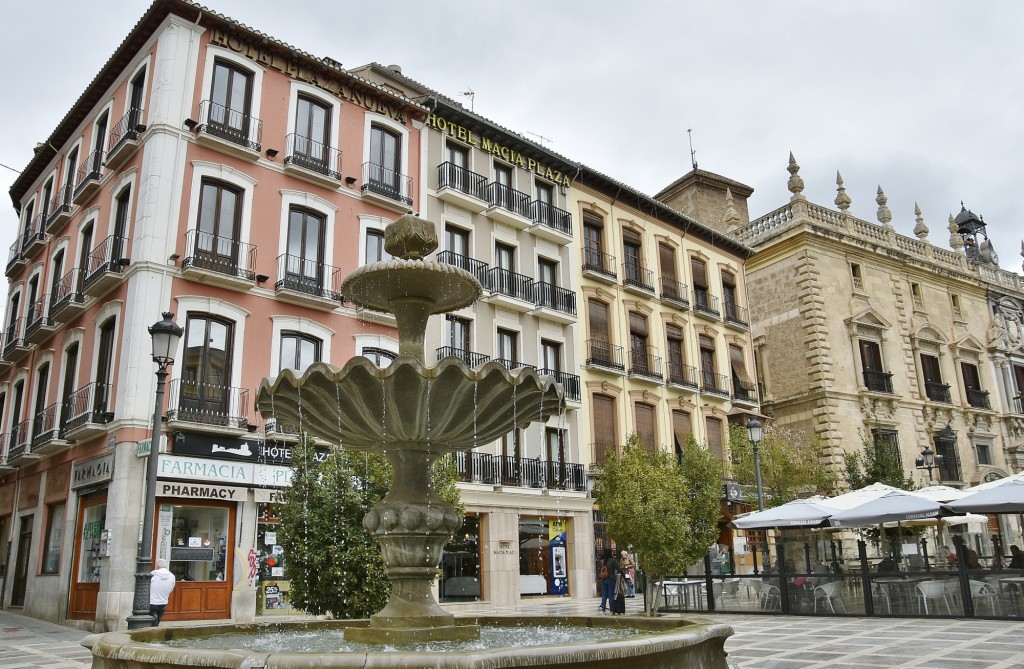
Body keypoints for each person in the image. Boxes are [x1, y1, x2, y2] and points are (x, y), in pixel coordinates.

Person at [149, 559, 176, 626]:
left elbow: (147, 586)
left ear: (158, 566)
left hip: (152, 601)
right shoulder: (172, 576)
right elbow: (171, 588)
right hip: (164, 601)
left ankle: (154, 630)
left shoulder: (153, 574)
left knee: (152, 622)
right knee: (157, 620)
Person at [598, 548, 622, 613]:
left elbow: (599, 570)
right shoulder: (612, 561)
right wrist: (623, 574)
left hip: (603, 579)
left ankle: (603, 609)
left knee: (604, 595)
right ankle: (612, 610)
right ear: (610, 553)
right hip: (611, 579)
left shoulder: (601, 561)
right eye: (612, 552)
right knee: (611, 595)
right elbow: (619, 568)